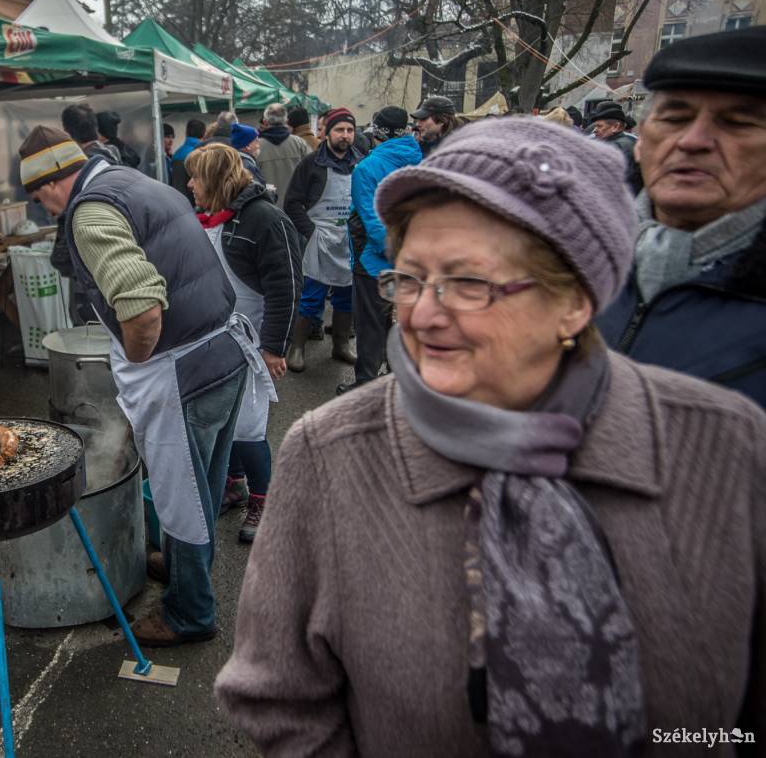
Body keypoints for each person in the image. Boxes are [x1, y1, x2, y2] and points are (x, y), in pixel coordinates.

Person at [216, 116, 766, 756]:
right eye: (410, 277)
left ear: (577, 302)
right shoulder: (329, 452)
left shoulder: (727, 445)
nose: (420, 314)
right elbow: (277, 697)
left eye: (469, 282)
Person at [17, 126, 252, 647]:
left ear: (54, 181)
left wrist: (138, 360)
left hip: (181, 370)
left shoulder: (90, 211)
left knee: (180, 497)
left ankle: (189, 613)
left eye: (39, 196)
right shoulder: (132, 180)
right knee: (205, 486)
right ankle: (187, 569)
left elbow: (142, 308)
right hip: (223, 352)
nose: (46, 208)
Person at [597, 25, 766, 408]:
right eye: (674, 118)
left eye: (737, 122)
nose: (692, 141)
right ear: (641, 141)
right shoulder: (578, 264)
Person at [186, 143, 302, 542]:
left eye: (196, 176)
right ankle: (234, 484)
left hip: (252, 340)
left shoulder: (265, 220)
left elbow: (285, 286)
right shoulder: (205, 219)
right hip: (214, 340)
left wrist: (274, 347)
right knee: (224, 424)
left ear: (217, 179)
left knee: (250, 429)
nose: (190, 184)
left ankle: (264, 501)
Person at [338, 106, 423, 395]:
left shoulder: (367, 168)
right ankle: (395, 380)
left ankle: (365, 386)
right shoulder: (420, 160)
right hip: (410, 258)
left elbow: (370, 218)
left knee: (370, 323)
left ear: (380, 133)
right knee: (396, 322)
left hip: (374, 260)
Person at [282, 107, 361, 372]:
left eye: (350, 130)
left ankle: (340, 346)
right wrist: (310, 231)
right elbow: (291, 203)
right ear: (327, 133)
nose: (345, 135)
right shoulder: (310, 163)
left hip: (349, 241)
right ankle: (297, 348)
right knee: (311, 296)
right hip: (319, 238)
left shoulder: (361, 163)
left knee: (346, 297)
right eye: (340, 130)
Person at [587, 100, 643, 194]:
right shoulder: (628, 141)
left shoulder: (615, 147)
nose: (595, 130)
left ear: (615, 127)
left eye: (599, 126)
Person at [257, 103, 311, 199]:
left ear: (265, 122)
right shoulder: (300, 144)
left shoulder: (255, 146)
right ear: (287, 121)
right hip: (294, 205)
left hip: (266, 206)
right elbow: (311, 172)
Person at [171, 119, 206, 203]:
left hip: (176, 198)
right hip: (193, 202)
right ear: (204, 133)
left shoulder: (177, 152)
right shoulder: (200, 153)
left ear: (186, 132)